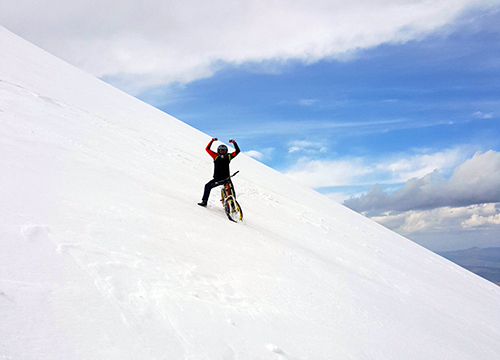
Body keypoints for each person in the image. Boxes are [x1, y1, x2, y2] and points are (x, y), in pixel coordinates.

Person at [198, 138, 240, 207]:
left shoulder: (229, 156)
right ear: (218, 151)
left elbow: (237, 151)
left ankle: (233, 206)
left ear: (226, 151)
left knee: (232, 192)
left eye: (223, 150)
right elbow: (207, 149)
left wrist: (234, 143)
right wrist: (211, 141)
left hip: (226, 178)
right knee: (207, 186)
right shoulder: (215, 156)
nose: (222, 152)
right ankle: (204, 202)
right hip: (218, 178)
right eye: (221, 150)